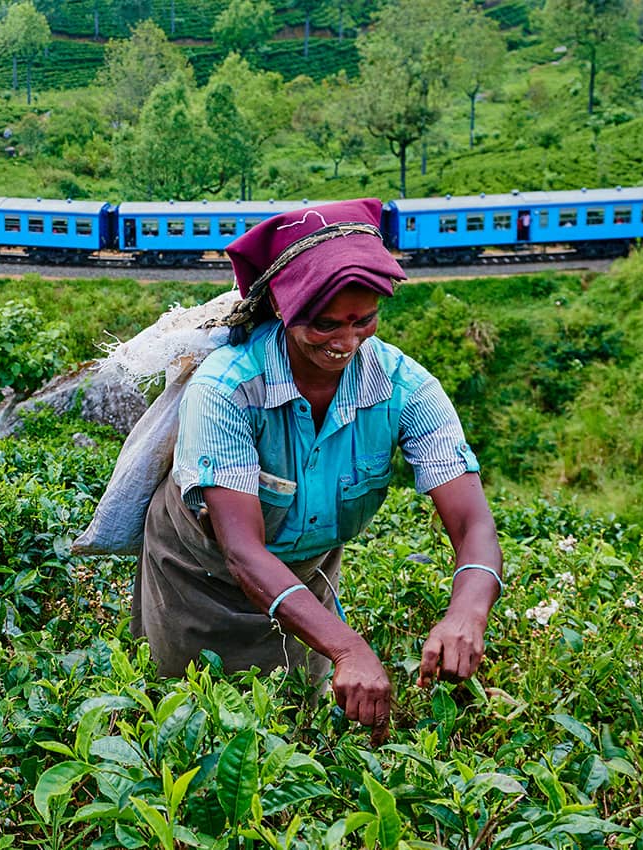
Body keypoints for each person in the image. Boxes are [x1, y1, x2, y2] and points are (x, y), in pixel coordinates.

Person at [134, 198, 504, 734]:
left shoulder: (406, 388)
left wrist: (467, 612)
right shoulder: (228, 388)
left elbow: (473, 523)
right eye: (324, 323)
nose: (346, 341)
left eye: (364, 320)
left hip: (304, 582)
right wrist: (348, 645)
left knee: (292, 728)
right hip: (197, 582)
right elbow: (242, 550)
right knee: (191, 724)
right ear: (283, 309)